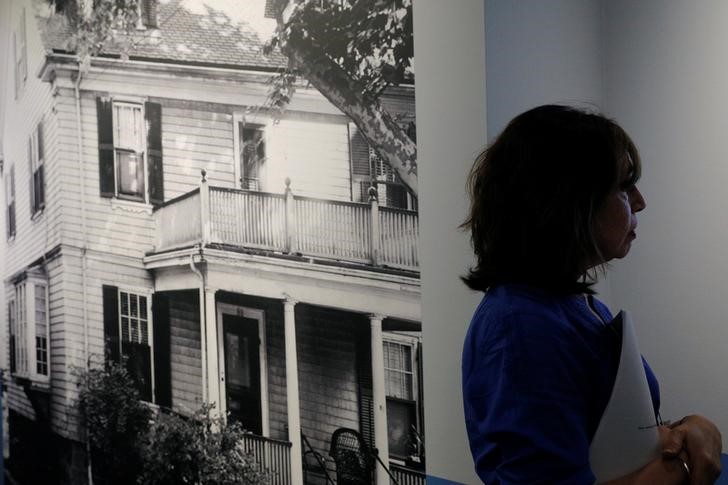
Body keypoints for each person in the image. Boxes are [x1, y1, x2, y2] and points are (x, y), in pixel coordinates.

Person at [460, 105, 722, 484]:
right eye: (623, 185)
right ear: (569, 199)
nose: (639, 201)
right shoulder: (520, 326)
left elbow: (615, 441)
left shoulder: (574, 308)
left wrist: (690, 428)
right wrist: (680, 466)